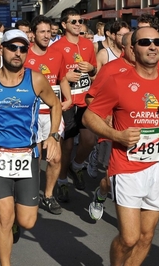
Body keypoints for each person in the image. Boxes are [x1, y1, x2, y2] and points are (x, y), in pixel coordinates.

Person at [83, 26, 159, 266]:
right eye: (145, 42)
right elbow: (89, 116)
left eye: (157, 42)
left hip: (158, 165)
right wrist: (116, 135)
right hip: (126, 166)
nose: (152, 46)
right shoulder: (118, 81)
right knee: (129, 238)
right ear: (132, 48)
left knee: (146, 236)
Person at [0, 29, 62, 266]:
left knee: (27, 221)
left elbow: (55, 105)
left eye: (23, 49)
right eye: (13, 48)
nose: (18, 53)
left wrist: (53, 136)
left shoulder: (35, 79)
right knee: (3, 217)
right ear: (2, 49)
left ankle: (16, 221)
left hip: (28, 154)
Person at [24, 15, 72, 215]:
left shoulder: (58, 54)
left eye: (49, 31)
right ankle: (31, 194)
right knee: (35, 157)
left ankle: (49, 195)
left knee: (54, 158)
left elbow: (62, 79)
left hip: (53, 113)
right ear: (33, 34)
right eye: (42, 32)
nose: (47, 35)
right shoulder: (24, 55)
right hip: (32, 115)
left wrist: (68, 98)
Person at [85, 32, 135, 220]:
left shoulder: (149, 70)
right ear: (125, 47)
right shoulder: (111, 69)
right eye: (134, 45)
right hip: (113, 131)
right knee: (111, 177)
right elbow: (90, 97)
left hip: (141, 134)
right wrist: (105, 117)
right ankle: (101, 195)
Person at [51, 7, 97, 200]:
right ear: (64, 25)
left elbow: (95, 74)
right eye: (74, 22)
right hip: (67, 102)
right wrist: (64, 77)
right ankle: (61, 181)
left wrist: (92, 68)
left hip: (85, 101)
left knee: (89, 140)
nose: (78, 25)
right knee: (67, 146)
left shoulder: (88, 45)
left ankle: (76, 166)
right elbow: (51, 77)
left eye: (80, 21)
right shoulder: (57, 47)